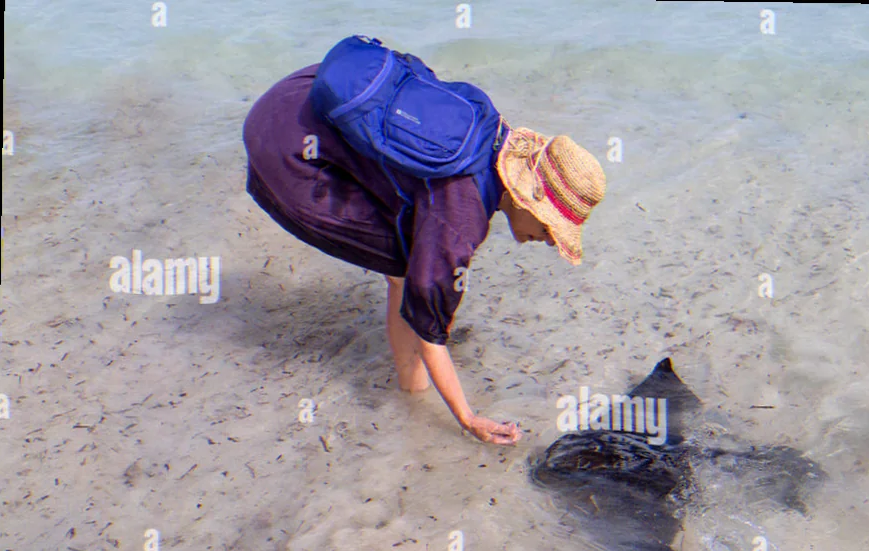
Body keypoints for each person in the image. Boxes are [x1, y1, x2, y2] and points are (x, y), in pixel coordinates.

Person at [242, 55, 606, 445]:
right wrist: (468, 418)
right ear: (528, 200)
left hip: (297, 94)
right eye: (551, 228)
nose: (551, 241)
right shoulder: (462, 219)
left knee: (416, 252)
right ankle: (411, 394)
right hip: (285, 153)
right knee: (410, 271)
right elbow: (430, 329)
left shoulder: (485, 119)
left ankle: (409, 374)